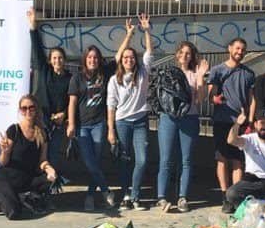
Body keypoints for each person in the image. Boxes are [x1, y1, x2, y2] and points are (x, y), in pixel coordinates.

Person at [156, 41, 209, 213]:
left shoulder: (195, 74)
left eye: (189, 53)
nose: (185, 56)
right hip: (168, 118)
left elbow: (200, 100)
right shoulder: (170, 73)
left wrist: (201, 76)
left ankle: (182, 197)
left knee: (186, 160)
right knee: (166, 159)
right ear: (177, 55)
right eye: (182, 53)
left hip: (189, 118)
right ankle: (161, 198)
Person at [107, 15, 154, 210]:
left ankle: (135, 195)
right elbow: (111, 105)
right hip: (122, 122)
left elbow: (150, 52)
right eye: (125, 58)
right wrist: (129, 34)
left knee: (141, 160)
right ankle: (126, 195)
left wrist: (146, 31)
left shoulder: (143, 73)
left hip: (141, 120)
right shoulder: (114, 79)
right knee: (124, 161)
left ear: (135, 60)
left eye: (131, 57)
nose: (128, 60)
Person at [0, 94, 59, 220]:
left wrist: (49, 169)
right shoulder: (14, 130)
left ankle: (24, 197)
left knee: (52, 177)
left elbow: (42, 160)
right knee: (14, 213)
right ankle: (3, 199)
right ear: (20, 110)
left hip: (28, 178)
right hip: (8, 177)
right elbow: (3, 162)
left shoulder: (42, 133)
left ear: (36, 109)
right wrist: (5, 151)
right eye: (24, 108)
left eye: (31, 107)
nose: (28, 111)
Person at [67, 44, 116, 212]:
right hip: (82, 127)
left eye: (95, 57)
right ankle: (105, 190)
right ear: (85, 60)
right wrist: (71, 123)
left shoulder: (105, 74)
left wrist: (129, 35)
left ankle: (89, 197)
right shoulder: (77, 78)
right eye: (89, 57)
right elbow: (72, 102)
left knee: (95, 161)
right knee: (90, 162)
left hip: (99, 124)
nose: (92, 60)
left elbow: (119, 56)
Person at [208, 38, 255, 209]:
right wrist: (215, 99)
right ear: (229, 49)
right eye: (237, 48)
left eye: (243, 49)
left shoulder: (248, 73)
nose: (239, 52)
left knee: (237, 160)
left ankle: (236, 196)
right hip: (222, 120)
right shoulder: (217, 70)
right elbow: (210, 95)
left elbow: (252, 98)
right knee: (222, 158)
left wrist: (250, 120)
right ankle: (224, 196)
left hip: (241, 122)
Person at [27, 8, 71, 168]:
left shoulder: (70, 78)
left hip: (58, 123)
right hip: (41, 119)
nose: (57, 61)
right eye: (54, 58)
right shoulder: (44, 71)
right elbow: (37, 51)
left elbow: (72, 100)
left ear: (64, 60)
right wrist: (33, 27)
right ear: (50, 60)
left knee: (53, 153)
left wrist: (64, 114)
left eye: (60, 58)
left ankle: (51, 184)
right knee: (37, 151)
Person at [224, 108, 265, 212]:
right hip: (252, 181)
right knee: (231, 193)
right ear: (256, 124)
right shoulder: (250, 139)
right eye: (262, 123)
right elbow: (231, 140)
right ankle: (255, 208)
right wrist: (237, 124)